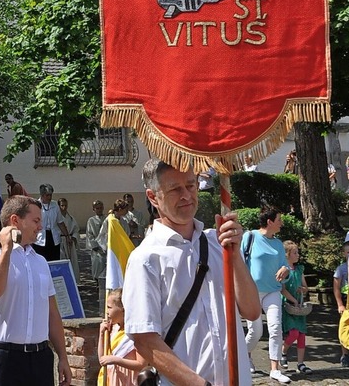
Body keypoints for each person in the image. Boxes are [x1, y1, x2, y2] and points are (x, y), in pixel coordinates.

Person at [123, 158, 260, 385]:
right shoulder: (146, 258)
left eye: (190, 185)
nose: (186, 195)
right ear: (152, 197)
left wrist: (235, 257)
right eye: (175, 189)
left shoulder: (218, 243)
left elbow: (252, 311)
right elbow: (145, 340)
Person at [0, 195, 72, 386]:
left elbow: (52, 312)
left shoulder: (40, 261)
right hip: (5, 358)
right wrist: (6, 249)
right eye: (36, 221)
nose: (40, 227)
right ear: (15, 221)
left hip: (40, 357)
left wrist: (63, 357)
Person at [243, 205, 291, 383]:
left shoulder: (278, 243)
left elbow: (285, 266)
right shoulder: (250, 237)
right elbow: (238, 262)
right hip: (252, 292)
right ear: (269, 222)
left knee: (276, 328)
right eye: (279, 220)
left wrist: (285, 269)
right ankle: (245, 354)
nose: (282, 223)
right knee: (256, 331)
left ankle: (275, 369)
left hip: (272, 291)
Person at [97, 288, 146, 386]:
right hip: (110, 379)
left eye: (109, 307)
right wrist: (101, 334)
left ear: (123, 309)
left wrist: (116, 360)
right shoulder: (113, 329)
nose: (107, 312)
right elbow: (102, 359)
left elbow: (141, 364)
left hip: (127, 381)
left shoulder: (136, 333)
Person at [279, 240, 313, 374]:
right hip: (289, 305)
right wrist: (293, 300)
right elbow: (282, 289)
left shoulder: (299, 269)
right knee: (293, 333)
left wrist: (303, 290)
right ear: (287, 255)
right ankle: (283, 351)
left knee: (301, 335)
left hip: (298, 306)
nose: (298, 255)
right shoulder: (283, 270)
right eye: (295, 252)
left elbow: (306, 287)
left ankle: (300, 363)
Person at [33, 183, 70, 262]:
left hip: (53, 237)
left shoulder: (55, 204)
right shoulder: (36, 205)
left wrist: (67, 236)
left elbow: (60, 222)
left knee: (54, 261)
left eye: (50, 195)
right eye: (47, 195)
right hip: (40, 238)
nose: (49, 197)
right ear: (42, 195)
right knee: (41, 262)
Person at [334, 240, 349, 367]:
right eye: (348, 252)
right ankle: (345, 354)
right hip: (346, 298)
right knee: (345, 326)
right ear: (344, 254)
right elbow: (336, 287)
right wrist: (339, 304)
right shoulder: (341, 269)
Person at [58, 197, 80, 284]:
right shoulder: (57, 218)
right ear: (59, 206)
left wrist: (74, 238)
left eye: (65, 205)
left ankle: (73, 281)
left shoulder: (70, 218)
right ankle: (63, 282)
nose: (64, 207)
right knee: (62, 260)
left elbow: (76, 229)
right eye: (62, 205)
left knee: (73, 262)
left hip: (70, 242)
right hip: (61, 241)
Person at [86, 200, 106, 290]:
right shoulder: (91, 220)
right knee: (98, 265)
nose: (99, 210)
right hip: (97, 248)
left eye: (101, 208)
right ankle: (98, 282)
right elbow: (90, 235)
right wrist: (95, 246)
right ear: (94, 209)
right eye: (97, 208)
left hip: (106, 247)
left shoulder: (107, 219)